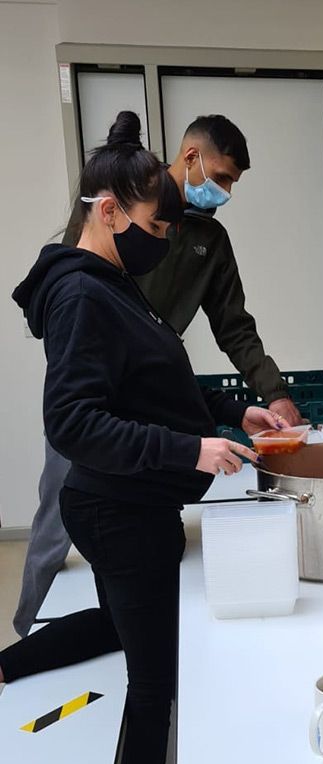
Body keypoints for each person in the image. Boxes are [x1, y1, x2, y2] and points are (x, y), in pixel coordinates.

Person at [1, 112, 279, 764]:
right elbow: (72, 421)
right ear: (108, 211)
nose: (163, 240)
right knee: (157, 682)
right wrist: (190, 449)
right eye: (155, 226)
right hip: (116, 508)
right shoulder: (80, 296)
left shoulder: (116, 285)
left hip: (132, 502)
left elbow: (158, 381)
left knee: (121, 627)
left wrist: (234, 411)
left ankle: (7, 666)